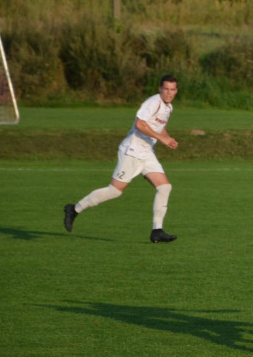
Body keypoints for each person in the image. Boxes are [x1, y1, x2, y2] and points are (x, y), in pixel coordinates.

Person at [63, 75, 180, 243]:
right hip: (132, 151)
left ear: (176, 91)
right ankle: (74, 209)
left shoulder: (168, 107)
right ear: (160, 89)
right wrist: (162, 139)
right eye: (166, 89)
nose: (169, 93)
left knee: (165, 187)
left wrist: (168, 139)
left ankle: (157, 231)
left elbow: (159, 127)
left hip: (147, 153)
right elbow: (140, 124)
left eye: (172, 90)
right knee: (115, 191)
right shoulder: (153, 102)